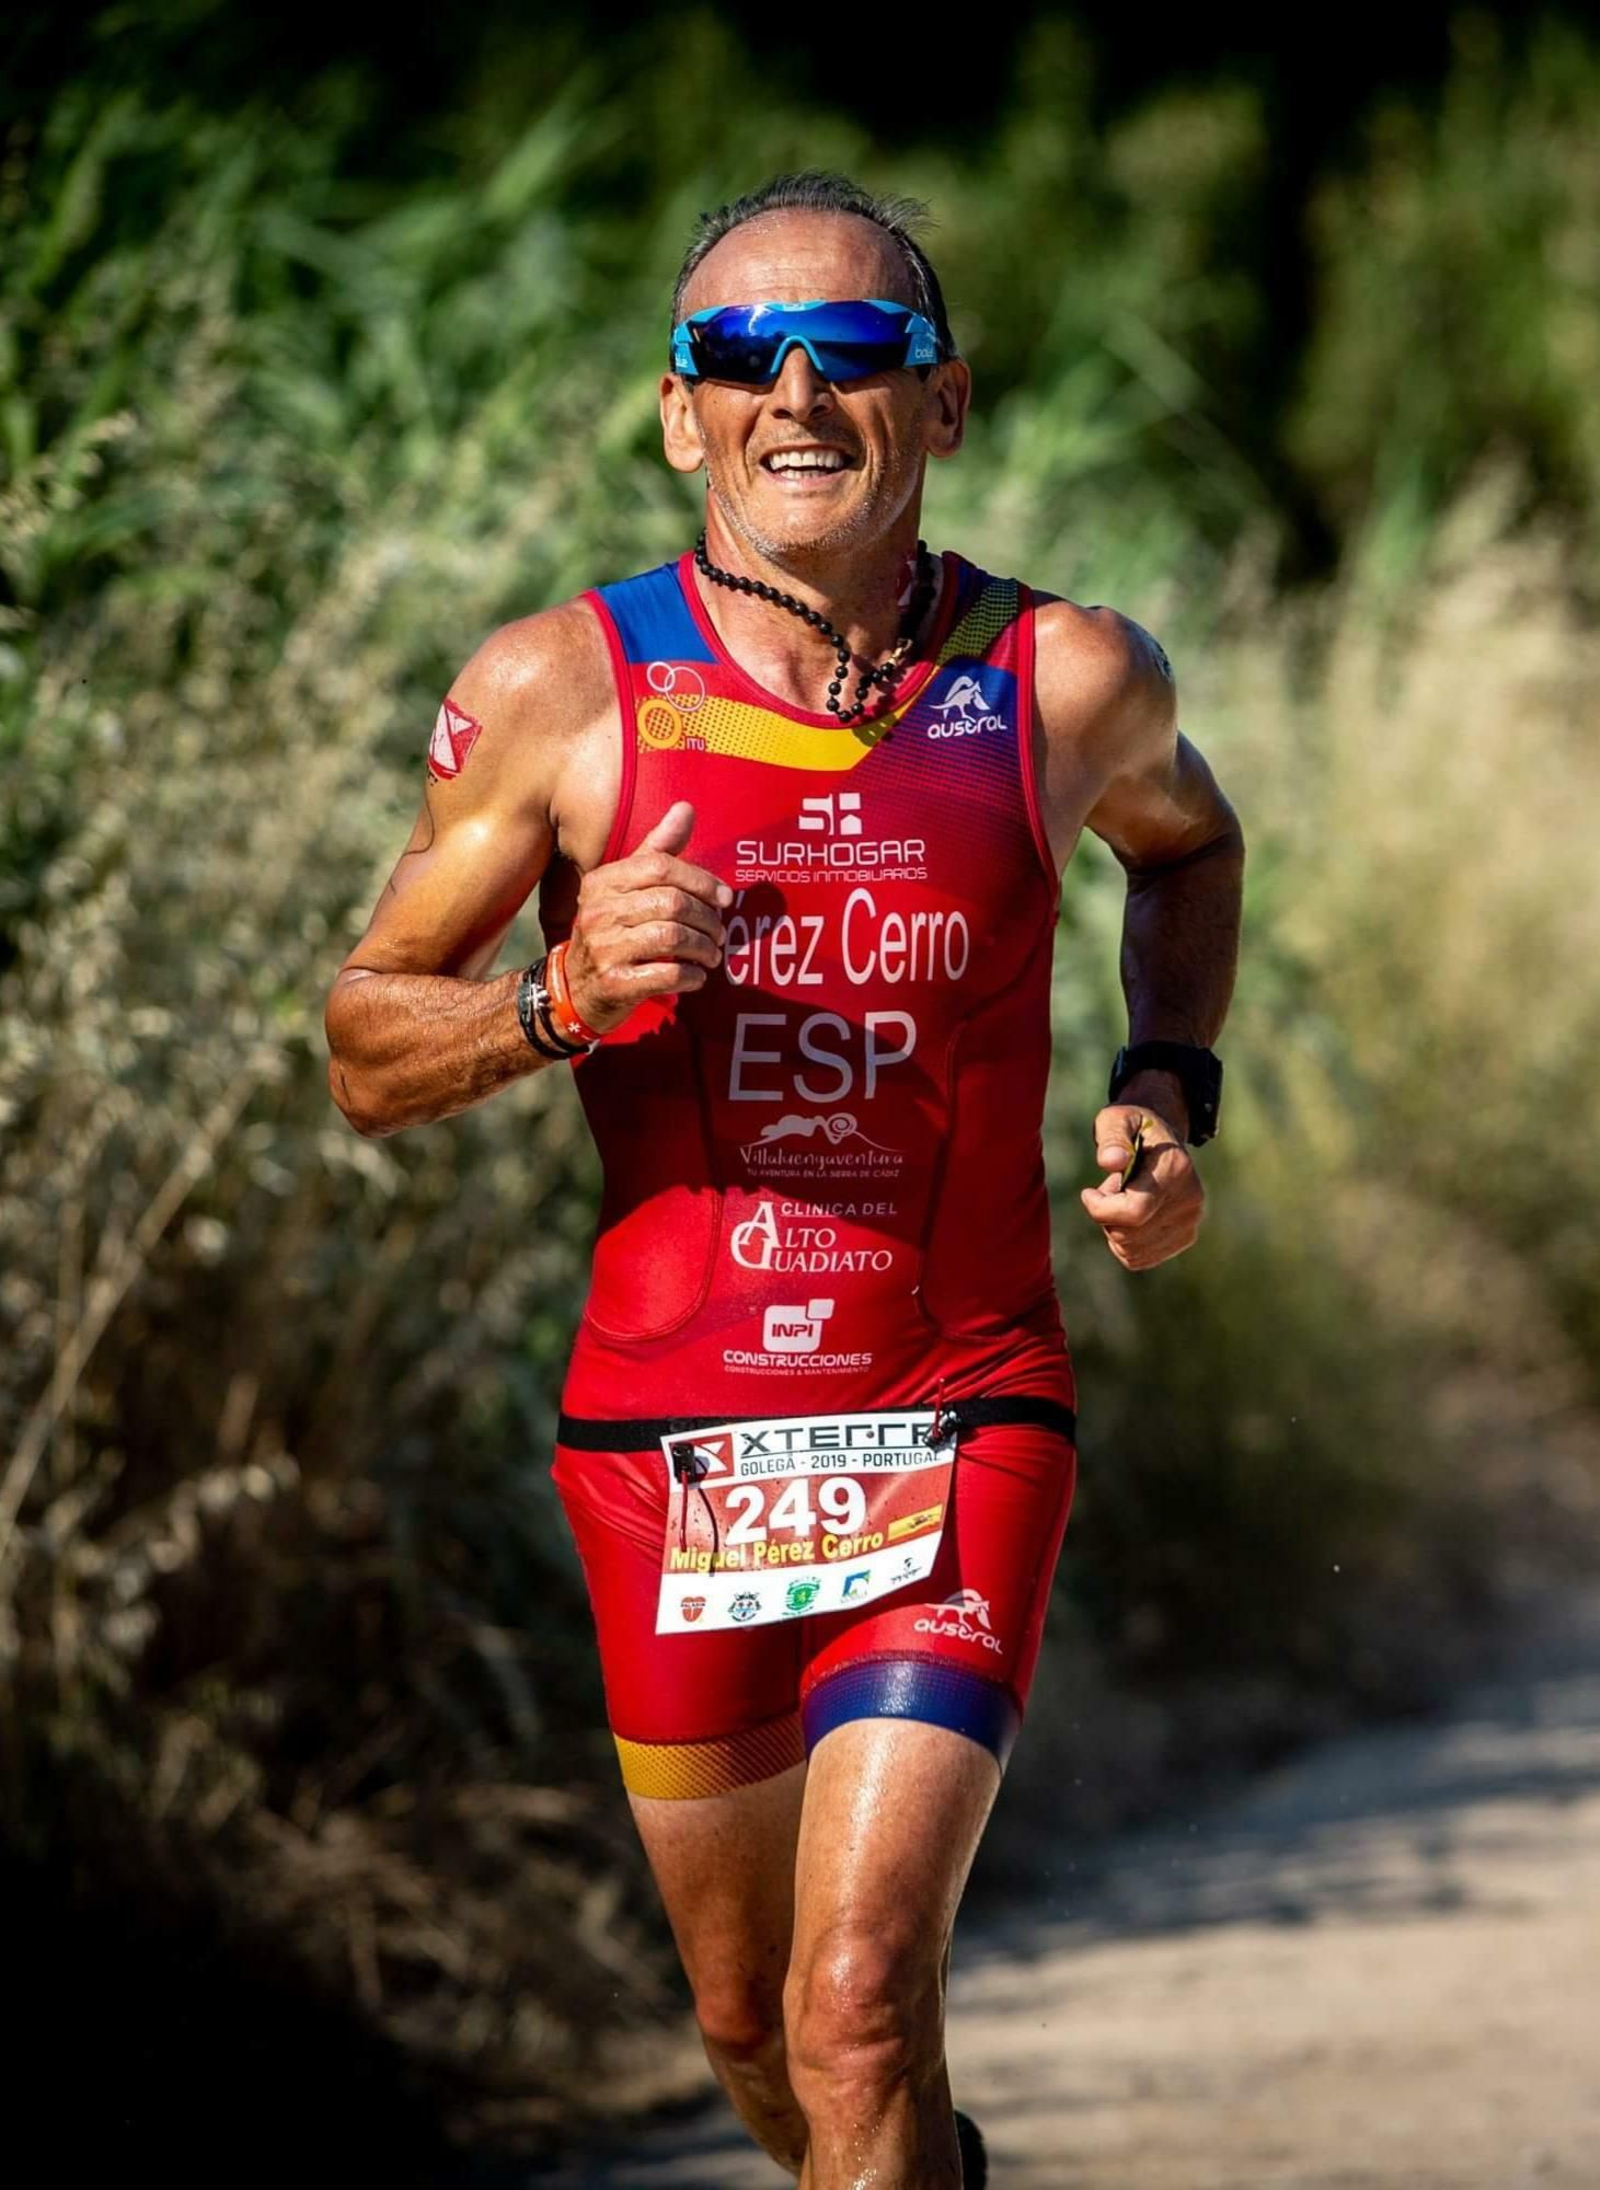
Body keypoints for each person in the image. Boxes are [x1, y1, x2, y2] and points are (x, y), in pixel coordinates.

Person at [325, 170, 1243, 2190]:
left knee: (850, 2003)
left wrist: (1162, 1086)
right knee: (753, 2034)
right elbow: (366, 1039)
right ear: (681, 414)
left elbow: (1185, 853)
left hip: (954, 1413)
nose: (800, 390)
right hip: (662, 1451)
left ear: (945, 402)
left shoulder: (1064, 679)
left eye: (858, 351)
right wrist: (560, 996)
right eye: (744, 355)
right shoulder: (568, 692)